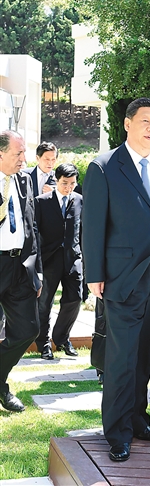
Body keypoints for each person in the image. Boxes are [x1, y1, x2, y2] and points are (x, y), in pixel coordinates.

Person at [82, 98, 150, 463]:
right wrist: (94, 274)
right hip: (121, 277)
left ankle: (138, 420)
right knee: (122, 358)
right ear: (128, 124)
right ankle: (117, 432)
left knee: (145, 354)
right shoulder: (104, 166)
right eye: (145, 121)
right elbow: (93, 225)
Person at [0, 130, 41, 412]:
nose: (24, 159)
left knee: (29, 329)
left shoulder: (25, 180)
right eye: (18, 153)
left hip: (20, 266)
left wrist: (36, 270)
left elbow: (32, 226)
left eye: (24, 152)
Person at [34, 163, 83, 360]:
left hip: (73, 259)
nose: (69, 187)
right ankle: (44, 343)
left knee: (75, 298)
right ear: (56, 180)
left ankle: (61, 338)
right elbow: (34, 234)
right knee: (44, 303)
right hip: (49, 259)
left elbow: (84, 230)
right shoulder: (41, 202)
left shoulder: (79, 200)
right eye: (65, 183)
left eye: (72, 183)